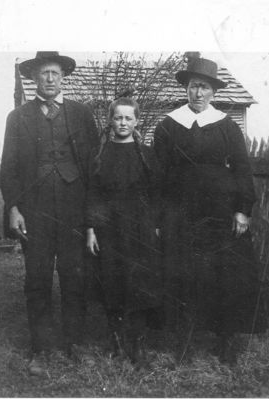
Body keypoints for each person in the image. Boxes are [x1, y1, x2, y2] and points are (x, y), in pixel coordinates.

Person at [154, 55, 267, 363]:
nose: (198, 93)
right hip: (180, 211)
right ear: (186, 89)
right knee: (182, 273)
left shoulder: (227, 127)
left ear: (213, 92)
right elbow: (158, 174)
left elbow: (242, 169)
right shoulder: (168, 126)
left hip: (219, 211)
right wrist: (159, 215)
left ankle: (226, 341)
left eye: (204, 88)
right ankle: (184, 341)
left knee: (224, 274)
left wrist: (243, 209)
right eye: (193, 87)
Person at [0, 51, 99, 375]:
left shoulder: (82, 114)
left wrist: (91, 217)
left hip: (73, 208)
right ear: (34, 78)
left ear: (63, 77)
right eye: (44, 73)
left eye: (55, 73)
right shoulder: (18, 117)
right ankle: (40, 349)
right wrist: (14, 208)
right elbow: (10, 168)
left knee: (75, 278)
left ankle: (77, 344)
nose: (50, 79)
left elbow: (94, 166)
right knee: (37, 279)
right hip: (36, 209)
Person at [86, 97, 162, 365]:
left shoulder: (147, 155)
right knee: (112, 283)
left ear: (137, 121)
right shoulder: (100, 154)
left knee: (139, 284)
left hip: (139, 229)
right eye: (118, 117)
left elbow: (156, 194)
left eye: (129, 118)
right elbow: (93, 194)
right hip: (109, 229)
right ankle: (117, 343)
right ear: (110, 120)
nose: (123, 123)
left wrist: (155, 225)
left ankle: (138, 344)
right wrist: (92, 229)